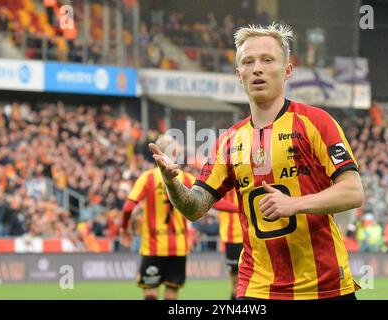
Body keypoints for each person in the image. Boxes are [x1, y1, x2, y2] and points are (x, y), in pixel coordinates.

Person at [149, 23, 364, 300]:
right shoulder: (228, 142)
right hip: (257, 288)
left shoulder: (315, 122)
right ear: (239, 75)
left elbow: (353, 191)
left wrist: (294, 204)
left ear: (287, 70)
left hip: (325, 286)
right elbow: (194, 207)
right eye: (248, 62)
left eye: (267, 60)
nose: (257, 69)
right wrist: (171, 183)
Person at [120, 135, 241, 299]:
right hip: (178, 246)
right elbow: (209, 201)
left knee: (150, 294)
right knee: (172, 294)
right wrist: (239, 208)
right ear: (174, 152)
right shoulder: (184, 177)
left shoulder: (147, 178)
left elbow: (128, 207)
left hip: (152, 246)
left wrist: (124, 228)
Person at [217, 188, 243, 300]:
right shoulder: (222, 177)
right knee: (236, 285)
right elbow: (214, 201)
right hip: (233, 238)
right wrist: (239, 209)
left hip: (253, 236)